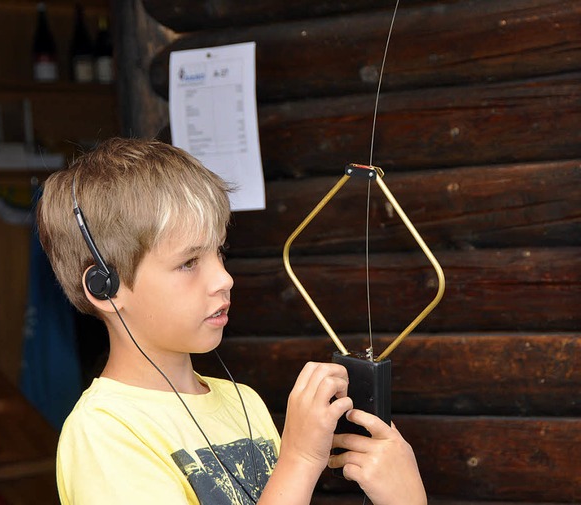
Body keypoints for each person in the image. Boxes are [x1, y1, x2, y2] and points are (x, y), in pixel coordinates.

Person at [37, 137, 426, 505]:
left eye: (218, 252)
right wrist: (301, 459)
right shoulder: (105, 432)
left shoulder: (245, 403)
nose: (224, 279)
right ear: (105, 287)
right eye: (188, 262)